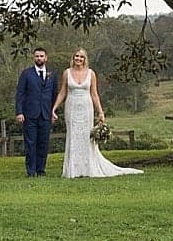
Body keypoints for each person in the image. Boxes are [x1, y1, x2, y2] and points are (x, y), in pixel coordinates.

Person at [52, 48, 142, 178]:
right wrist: (54, 108)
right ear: (73, 58)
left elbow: (94, 94)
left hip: (86, 107)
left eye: (81, 57)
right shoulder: (67, 73)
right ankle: (73, 170)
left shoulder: (91, 73)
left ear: (85, 59)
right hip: (71, 107)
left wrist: (100, 112)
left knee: (86, 137)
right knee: (73, 136)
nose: (78, 59)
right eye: (76, 56)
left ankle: (88, 168)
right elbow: (62, 92)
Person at [13, 46, 56, 178]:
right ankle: (31, 171)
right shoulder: (26, 74)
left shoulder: (52, 75)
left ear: (46, 58)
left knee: (43, 143)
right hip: (30, 114)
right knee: (31, 143)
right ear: (34, 58)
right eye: (37, 56)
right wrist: (19, 112)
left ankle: (41, 170)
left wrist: (53, 111)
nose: (39, 58)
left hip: (45, 114)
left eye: (41, 56)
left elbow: (55, 94)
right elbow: (20, 94)